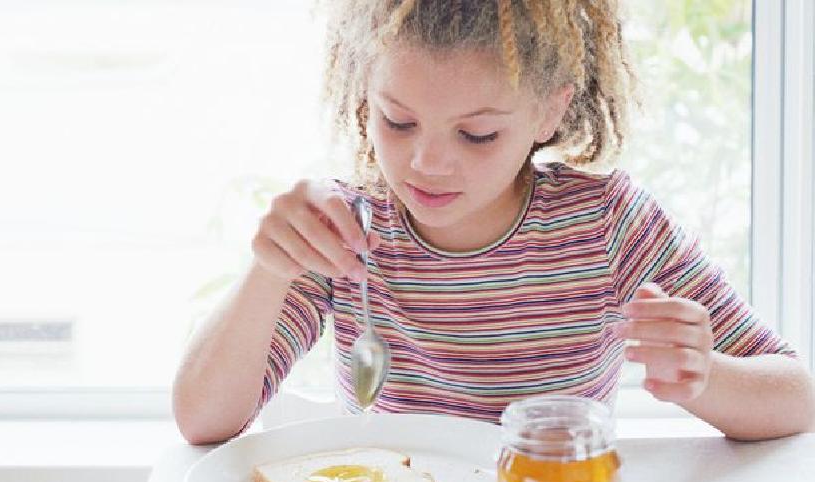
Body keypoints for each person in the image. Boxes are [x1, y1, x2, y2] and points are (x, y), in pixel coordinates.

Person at [173, 0, 814, 444]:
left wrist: (705, 377)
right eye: (397, 121)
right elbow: (203, 420)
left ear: (547, 114)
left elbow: (796, 395)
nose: (426, 163)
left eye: (477, 134)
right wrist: (268, 268)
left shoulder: (608, 225)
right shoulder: (345, 229)